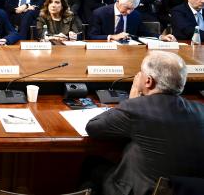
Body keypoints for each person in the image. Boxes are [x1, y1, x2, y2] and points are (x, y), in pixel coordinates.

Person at [85, 51, 204, 195]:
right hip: (187, 190)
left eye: (140, 72)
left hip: (145, 191)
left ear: (148, 81)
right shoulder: (200, 110)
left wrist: (131, 100)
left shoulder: (136, 108)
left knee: (90, 164)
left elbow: (93, 127)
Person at [88, 0, 175, 41]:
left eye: (133, 8)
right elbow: (92, 36)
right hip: (105, 51)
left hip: (128, 51)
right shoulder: (100, 13)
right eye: (127, 8)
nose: (129, 12)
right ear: (118, 1)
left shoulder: (136, 15)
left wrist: (161, 37)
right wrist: (112, 37)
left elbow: (143, 33)